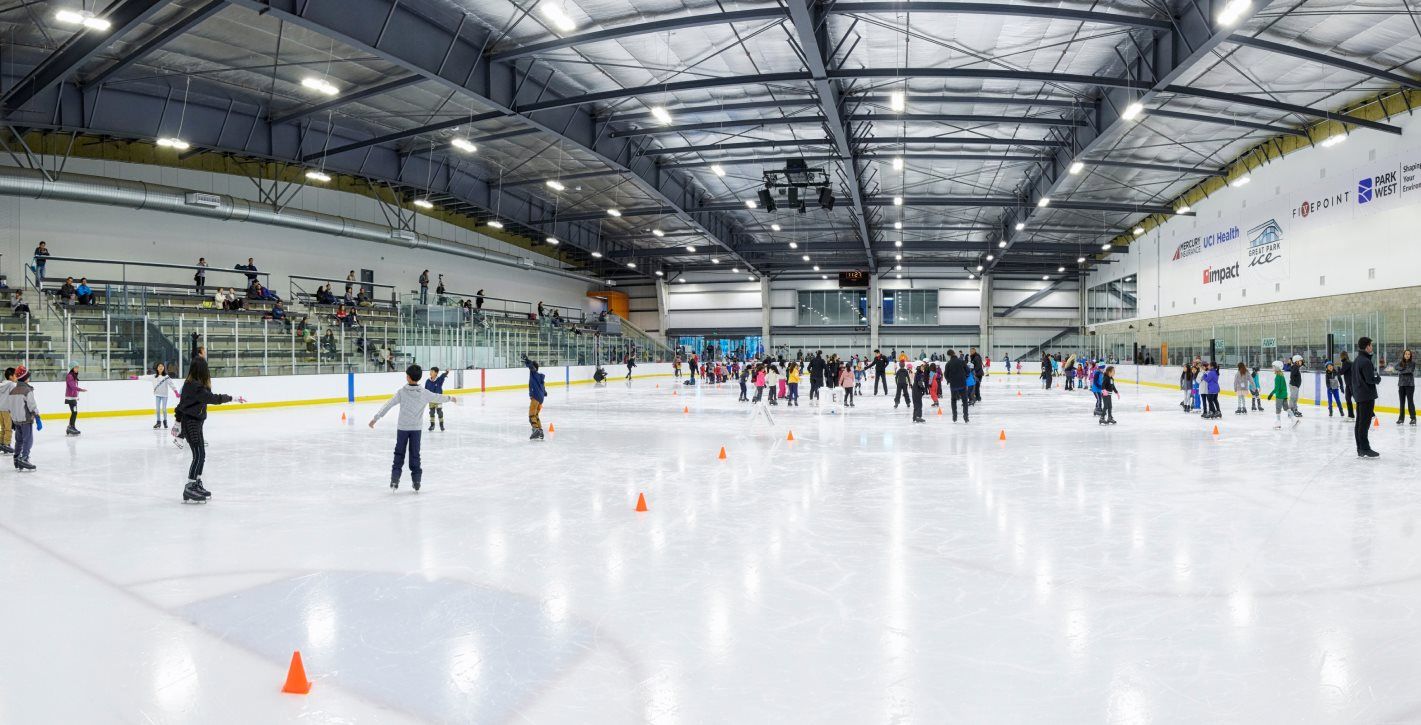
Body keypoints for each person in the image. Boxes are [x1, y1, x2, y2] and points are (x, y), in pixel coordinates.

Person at [370, 363, 458, 490]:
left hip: (403, 429)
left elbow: (388, 405)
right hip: (416, 429)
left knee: (399, 454)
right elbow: (438, 397)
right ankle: (416, 481)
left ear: (407, 377)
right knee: (415, 454)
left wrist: (375, 419)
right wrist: (451, 398)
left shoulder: (401, 392)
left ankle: (395, 480)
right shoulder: (424, 393)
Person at [174, 355, 233, 502]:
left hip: (195, 423)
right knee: (198, 455)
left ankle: (197, 482)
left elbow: (180, 406)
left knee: (202, 455)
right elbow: (213, 399)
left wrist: (177, 422)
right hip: (191, 423)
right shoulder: (194, 386)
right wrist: (232, 398)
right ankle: (190, 486)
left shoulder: (193, 384)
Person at [4, 365, 38, 470]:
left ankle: (17, 457)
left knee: (19, 440)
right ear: (25, 378)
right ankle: (24, 458)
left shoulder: (13, 391)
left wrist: (13, 419)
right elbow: (32, 405)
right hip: (26, 420)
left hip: (16, 420)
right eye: (28, 376)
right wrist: (37, 415)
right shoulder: (27, 390)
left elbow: (10, 406)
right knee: (28, 440)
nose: (29, 378)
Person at [523, 355, 546, 440]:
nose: (530, 368)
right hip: (540, 398)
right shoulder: (540, 378)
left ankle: (536, 430)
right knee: (536, 414)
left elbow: (531, 366)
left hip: (535, 397)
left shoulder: (534, 373)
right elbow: (544, 390)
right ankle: (540, 431)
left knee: (531, 414)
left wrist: (526, 360)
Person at [152, 362, 179, 429]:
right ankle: (158, 422)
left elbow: (171, 384)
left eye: (162, 366)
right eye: (159, 366)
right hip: (157, 395)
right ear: (157, 368)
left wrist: (175, 391)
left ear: (164, 368)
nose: (161, 367)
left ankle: (165, 421)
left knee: (164, 409)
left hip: (164, 395)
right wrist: (137, 377)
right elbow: (145, 377)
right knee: (158, 409)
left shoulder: (166, 377)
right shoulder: (154, 376)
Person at [945, 350, 970, 423]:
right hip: (962, 384)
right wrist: (964, 377)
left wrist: (949, 380)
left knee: (953, 400)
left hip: (953, 385)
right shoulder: (961, 361)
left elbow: (946, 375)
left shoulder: (948, 364)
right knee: (965, 400)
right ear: (954, 353)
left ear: (949, 355)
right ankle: (966, 417)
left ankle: (954, 417)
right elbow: (968, 371)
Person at [1269, 360, 1293, 430]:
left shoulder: (1278, 377)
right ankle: (1294, 418)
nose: (1272, 368)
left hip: (1279, 395)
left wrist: (1271, 393)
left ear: (1277, 368)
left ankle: (1278, 423)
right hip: (1284, 395)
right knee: (1286, 408)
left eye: (1273, 367)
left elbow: (1277, 388)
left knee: (1278, 409)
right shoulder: (1281, 375)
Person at [63, 363, 86, 435]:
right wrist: (81, 390)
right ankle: (71, 427)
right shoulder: (69, 376)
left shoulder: (73, 375)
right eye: (76, 367)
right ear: (72, 368)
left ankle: (71, 427)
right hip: (70, 398)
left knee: (74, 412)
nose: (77, 369)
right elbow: (73, 387)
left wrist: (76, 396)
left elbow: (74, 386)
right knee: (74, 412)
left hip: (73, 398)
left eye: (77, 368)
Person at [425, 367, 449, 432]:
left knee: (439, 412)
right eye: (430, 371)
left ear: (436, 373)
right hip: (431, 400)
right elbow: (425, 390)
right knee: (431, 412)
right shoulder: (428, 381)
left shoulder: (439, 380)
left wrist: (446, 372)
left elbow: (443, 376)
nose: (430, 373)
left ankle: (441, 425)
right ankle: (432, 425)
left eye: (432, 371)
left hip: (438, 399)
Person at [1397, 349, 1416, 425]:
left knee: (1410, 402)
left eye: (1408, 354)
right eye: (1406, 354)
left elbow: (1409, 371)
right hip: (1401, 385)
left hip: (1410, 385)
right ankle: (1401, 419)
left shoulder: (1413, 363)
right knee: (1402, 403)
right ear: (1404, 355)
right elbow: (1395, 367)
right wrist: (1402, 369)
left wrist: (1401, 370)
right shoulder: (1400, 363)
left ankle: (1413, 418)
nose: (1407, 355)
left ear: (1410, 355)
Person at [0, 367, 13, 454]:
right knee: (8, 428)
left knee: (3, 427)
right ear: (11, 376)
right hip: (7, 409)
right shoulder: (12, 385)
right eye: (15, 375)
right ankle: (7, 444)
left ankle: (1, 442)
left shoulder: (1, 384)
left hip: (0, 409)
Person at [1338, 351, 1355, 418]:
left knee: (1358, 399)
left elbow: (1341, 372)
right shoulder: (1347, 362)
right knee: (1348, 399)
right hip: (1348, 384)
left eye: (1341, 356)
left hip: (1351, 384)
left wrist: (1338, 369)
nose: (1340, 357)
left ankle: (1371, 414)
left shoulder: (1347, 363)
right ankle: (1350, 415)